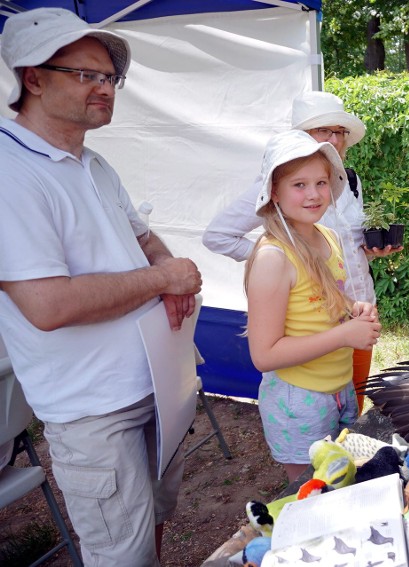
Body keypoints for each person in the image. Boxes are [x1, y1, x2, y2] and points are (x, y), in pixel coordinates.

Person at [0, 8, 202, 565]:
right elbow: (48, 304)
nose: (104, 89)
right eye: (86, 75)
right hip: (93, 409)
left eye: (110, 78)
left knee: (156, 522)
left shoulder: (93, 163)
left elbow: (142, 235)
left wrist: (168, 274)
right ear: (32, 77)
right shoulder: (9, 170)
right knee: (121, 554)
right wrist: (165, 278)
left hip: (154, 381)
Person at [203, 91, 398, 414]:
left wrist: (371, 252)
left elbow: (345, 244)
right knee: (318, 430)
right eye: (323, 131)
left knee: (350, 410)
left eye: (339, 132)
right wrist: (291, 263)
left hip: (357, 309)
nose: (334, 139)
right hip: (310, 326)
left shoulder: (347, 180)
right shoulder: (279, 181)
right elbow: (219, 235)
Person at [244, 129, 381, 483]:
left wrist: (355, 309)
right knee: (312, 492)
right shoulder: (274, 257)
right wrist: (343, 337)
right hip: (299, 402)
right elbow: (265, 354)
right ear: (274, 191)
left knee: (346, 481)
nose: (314, 194)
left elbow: (326, 301)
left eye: (321, 182)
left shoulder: (329, 237)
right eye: (299, 185)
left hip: (340, 388)